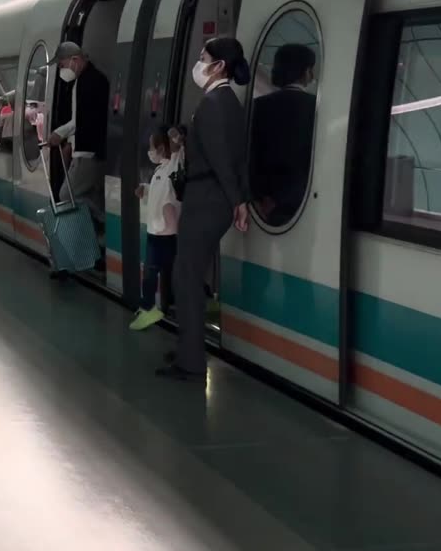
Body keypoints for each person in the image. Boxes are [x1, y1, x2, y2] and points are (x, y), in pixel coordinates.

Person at [159, 38, 251, 381]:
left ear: (219, 66)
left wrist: (237, 201)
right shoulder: (229, 102)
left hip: (206, 197)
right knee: (190, 273)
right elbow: (233, 156)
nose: (198, 64)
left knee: (185, 276)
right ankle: (189, 348)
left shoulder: (212, 103)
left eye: (203, 58)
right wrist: (238, 198)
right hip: (216, 198)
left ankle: (191, 361)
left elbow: (221, 159)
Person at [250, 43, 317, 225]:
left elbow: (252, 153)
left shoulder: (258, 106)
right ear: (307, 72)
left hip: (264, 202)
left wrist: (261, 196)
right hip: (303, 199)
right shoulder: (316, 108)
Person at [47, 41, 110, 228]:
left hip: (88, 152)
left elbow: (81, 120)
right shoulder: (87, 80)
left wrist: (59, 133)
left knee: (67, 195)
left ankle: (102, 224)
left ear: (75, 60)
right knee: (90, 195)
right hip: (90, 150)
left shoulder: (89, 82)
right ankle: (99, 234)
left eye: (62, 65)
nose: (62, 70)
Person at [131, 126, 184, 331]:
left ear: (162, 147)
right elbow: (159, 192)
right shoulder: (160, 170)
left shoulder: (174, 165)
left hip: (166, 232)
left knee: (151, 272)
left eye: (152, 147)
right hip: (157, 231)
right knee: (157, 270)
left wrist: (176, 139)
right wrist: (145, 190)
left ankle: (149, 307)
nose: (149, 151)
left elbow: (179, 151)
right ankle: (157, 304)